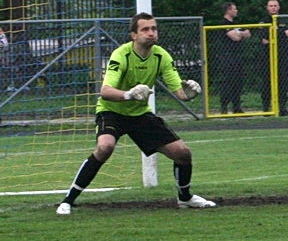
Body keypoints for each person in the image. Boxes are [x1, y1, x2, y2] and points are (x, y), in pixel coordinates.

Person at [56, 13, 215, 215]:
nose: (151, 33)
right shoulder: (121, 55)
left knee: (183, 153)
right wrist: (129, 94)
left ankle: (185, 198)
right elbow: (105, 91)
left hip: (140, 114)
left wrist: (189, 94)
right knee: (105, 147)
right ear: (133, 35)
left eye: (154, 29)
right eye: (145, 29)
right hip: (112, 111)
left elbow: (180, 93)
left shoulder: (162, 56)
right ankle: (68, 201)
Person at [258, 0, 288, 116]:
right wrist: (282, 33)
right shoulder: (263, 21)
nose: (273, 8)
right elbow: (264, 37)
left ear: (278, 7)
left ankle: (282, 107)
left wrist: (275, 34)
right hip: (267, 57)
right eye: (271, 6)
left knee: (283, 82)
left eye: (275, 6)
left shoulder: (284, 20)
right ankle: (266, 107)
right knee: (267, 82)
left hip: (282, 56)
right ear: (267, 8)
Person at [216, 2, 251, 114]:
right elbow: (235, 37)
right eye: (234, 9)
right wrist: (241, 34)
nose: (236, 11)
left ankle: (237, 107)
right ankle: (224, 106)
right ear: (228, 10)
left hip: (237, 56)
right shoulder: (224, 23)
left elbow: (248, 33)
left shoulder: (235, 24)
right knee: (228, 81)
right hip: (227, 57)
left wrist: (240, 33)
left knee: (238, 81)